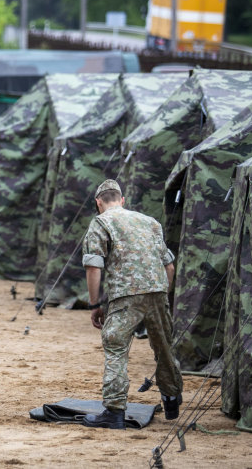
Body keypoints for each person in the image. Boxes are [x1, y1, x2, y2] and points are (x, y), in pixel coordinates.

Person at [80, 179, 183, 430]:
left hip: (125, 296)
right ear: (122, 200)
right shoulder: (150, 222)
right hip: (158, 292)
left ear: (99, 203)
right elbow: (169, 265)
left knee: (116, 348)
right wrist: (161, 294)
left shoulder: (101, 222)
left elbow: (94, 266)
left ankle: (114, 411)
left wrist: (94, 305)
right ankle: (171, 402)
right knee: (164, 348)